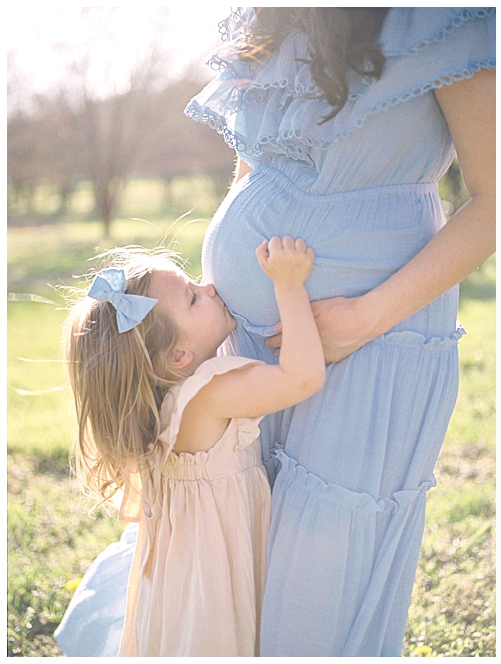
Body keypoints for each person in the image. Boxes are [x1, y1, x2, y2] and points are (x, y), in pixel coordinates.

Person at [186, 7, 496, 655]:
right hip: (248, 334)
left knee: (325, 570)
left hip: (376, 335)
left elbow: (494, 203)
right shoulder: (278, 18)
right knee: (246, 540)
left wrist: (365, 317)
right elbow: (255, 168)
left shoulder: (445, 20)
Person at [62, 238, 325, 655]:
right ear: (180, 355)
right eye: (193, 297)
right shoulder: (209, 393)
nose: (210, 289)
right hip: (217, 578)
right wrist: (289, 285)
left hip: (184, 581)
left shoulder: (161, 406)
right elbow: (304, 377)